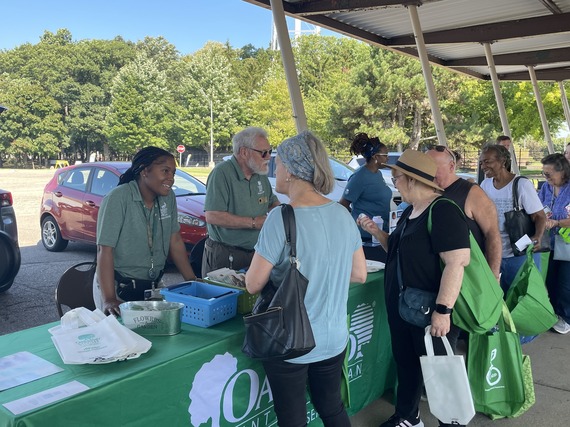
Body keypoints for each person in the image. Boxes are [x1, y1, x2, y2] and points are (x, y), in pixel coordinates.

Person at [245, 130, 367, 427]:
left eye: (280, 163)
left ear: (292, 170)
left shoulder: (281, 218)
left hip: (291, 339)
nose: (277, 169)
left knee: (293, 419)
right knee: (332, 408)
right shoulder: (341, 214)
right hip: (334, 337)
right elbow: (359, 274)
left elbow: (253, 283)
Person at [358, 149, 471, 427]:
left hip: (429, 310)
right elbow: (398, 251)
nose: (393, 183)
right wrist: (377, 233)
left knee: (440, 373)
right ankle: (408, 417)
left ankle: (452, 421)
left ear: (411, 179)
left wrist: (443, 311)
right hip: (405, 308)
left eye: (396, 178)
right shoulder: (411, 210)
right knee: (407, 365)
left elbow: (457, 262)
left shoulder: (443, 210)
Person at [94, 147, 198, 316]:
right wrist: (109, 298)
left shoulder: (168, 197)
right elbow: (104, 250)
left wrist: (192, 281)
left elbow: (175, 240)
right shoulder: (118, 198)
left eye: (173, 173)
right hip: (118, 286)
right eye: (165, 171)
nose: (171, 178)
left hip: (152, 285)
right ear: (144, 171)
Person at [202, 127, 280, 275]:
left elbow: (272, 203)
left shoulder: (259, 174)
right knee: (226, 296)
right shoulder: (221, 173)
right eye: (263, 152)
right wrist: (253, 222)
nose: (268, 157)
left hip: (256, 252)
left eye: (269, 151)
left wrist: (288, 215)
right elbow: (212, 216)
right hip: (225, 254)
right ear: (244, 152)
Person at [426, 145, 502, 279]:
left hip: (467, 277)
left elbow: (492, 235)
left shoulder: (472, 193)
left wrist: (493, 277)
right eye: (426, 167)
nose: (428, 172)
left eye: (434, 167)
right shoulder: (428, 191)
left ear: (451, 166)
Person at [479, 144, 547, 294]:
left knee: (522, 295)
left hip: (519, 253)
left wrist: (538, 236)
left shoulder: (521, 184)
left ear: (503, 161)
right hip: (494, 251)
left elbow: (539, 216)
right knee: (496, 294)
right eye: (481, 162)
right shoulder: (485, 184)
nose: (483, 166)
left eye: (487, 161)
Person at [538, 153, 570, 334]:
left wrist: (557, 222)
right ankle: (554, 313)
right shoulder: (546, 189)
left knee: (566, 283)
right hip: (550, 242)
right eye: (544, 174)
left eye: (549, 174)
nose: (546, 178)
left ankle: (566, 317)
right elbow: (539, 206)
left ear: (562, 171)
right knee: (550, 279)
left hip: (567, 243)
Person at [339, 133, 392, 236]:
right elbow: (342, 205)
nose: (388, 159)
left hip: (382, 232)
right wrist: (359, 218)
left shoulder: (378, 173)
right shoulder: (359, 177)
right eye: (385, 155)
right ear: (375, 157)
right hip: (366, 236)